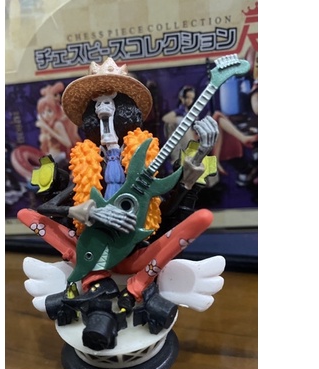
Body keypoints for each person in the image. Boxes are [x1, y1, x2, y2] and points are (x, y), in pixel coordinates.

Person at [17, 57, 219, 350]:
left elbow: (167, 210)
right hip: (96, 255)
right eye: (97, 102)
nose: (103, 106)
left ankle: (140, 287)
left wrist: (195, 165)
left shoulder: (143, 158)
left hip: (141, 253)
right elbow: (42, 211)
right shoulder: (86, 162)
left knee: (200, 219)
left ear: (125, 109)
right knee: (30, 218)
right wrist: (80, 210)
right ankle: (101, 309)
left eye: (110, 100)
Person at [162, 85, 198, 167]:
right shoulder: (180, 111)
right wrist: (179, 120)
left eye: (192, 98)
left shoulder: (189, 111)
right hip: (183, 141)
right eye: (187, 97)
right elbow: (165, 118)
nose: (190, 101)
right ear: (182, 98)